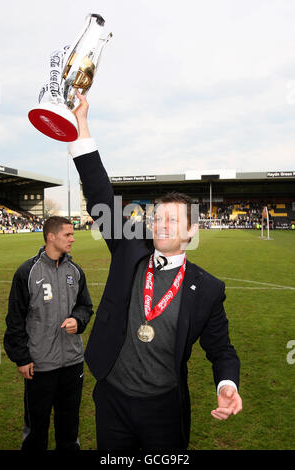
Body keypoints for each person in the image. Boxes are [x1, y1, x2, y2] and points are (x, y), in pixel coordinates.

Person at [68, 93, 242, 450]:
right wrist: (81, 123)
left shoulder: (208, 288)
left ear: (192, 231)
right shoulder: (129, 248)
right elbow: (100, 194)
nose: (162, 225)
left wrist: (227, 385)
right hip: (112, 401)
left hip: (164, 409)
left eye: (173, 220)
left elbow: (222, 350)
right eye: (158, 217)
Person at [4, 216, 94, 451]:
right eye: (68, 235)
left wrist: (79, 319)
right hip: (40, 365)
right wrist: (22, 358)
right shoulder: (27, 271)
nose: (73, 239)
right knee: (36, 429)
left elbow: (85, 306)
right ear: (51, 237)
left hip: (72, 363)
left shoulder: (75, 271)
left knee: (69, 426)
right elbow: (15, 319)